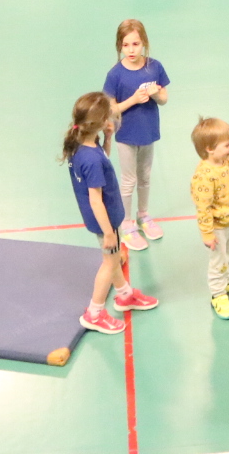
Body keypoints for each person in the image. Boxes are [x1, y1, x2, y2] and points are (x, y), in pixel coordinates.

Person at [61, 92, 158, 336]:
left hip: (105, 218)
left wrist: (107, 139)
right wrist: (108, 233)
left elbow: (102, 159)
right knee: (110, 261)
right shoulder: (91, 159)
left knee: (113, 260)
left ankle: (124, 294)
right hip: (105, 220)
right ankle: (94, 313)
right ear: (102, 120)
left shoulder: (82, 146)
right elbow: (95, 199)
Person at [103, 19, 170, 252]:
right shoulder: (115, 75)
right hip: (126, 135)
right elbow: (111, 110)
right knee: (128, 181)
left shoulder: (155, 67)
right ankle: (126, 223)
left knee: (145, 176)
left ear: (144, 43)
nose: (131, 49)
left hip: (148, 132)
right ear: (120, 46)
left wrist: (155, 94)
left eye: (136, 44)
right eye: (126, 45)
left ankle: (143, 215)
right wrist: (133, 99)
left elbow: (164, 98)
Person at [190, 116, 229, 320]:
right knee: (217, 261)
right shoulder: (204, 176)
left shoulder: (227, 161)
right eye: (227, 145)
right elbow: (203, 208)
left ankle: (227, 282)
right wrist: (207, 233)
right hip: (217, 227)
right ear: (210, 149)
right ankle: (218, 294)